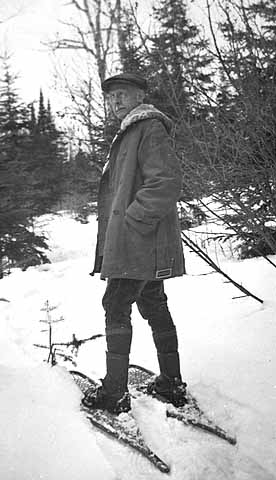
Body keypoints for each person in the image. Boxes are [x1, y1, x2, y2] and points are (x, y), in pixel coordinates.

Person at [82, 72, 186, 414]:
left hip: (139, 241)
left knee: (116, 304)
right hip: (142, 241)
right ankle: (171, 383)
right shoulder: (130, 132)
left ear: (140, 95)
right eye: (111, 97)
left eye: (123, 94)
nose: (116, 101)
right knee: (154, 302)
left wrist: (133, 221)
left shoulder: (148, 127)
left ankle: (115, 394)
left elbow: (165, 182)